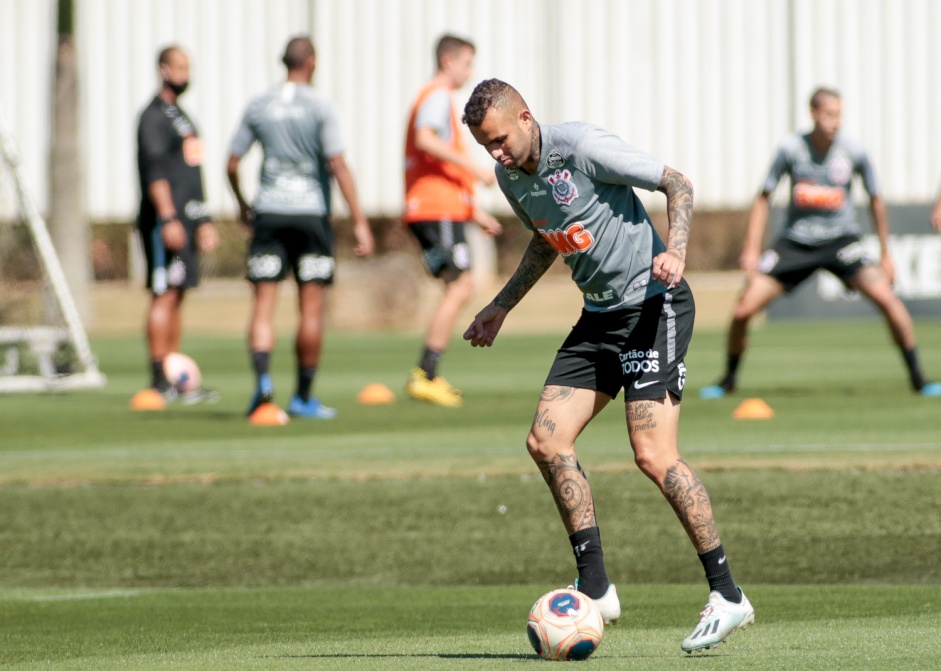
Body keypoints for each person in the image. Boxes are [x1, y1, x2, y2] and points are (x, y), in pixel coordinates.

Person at [461, 78, 754, 653]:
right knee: (546, 441)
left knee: (653, 455)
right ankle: (596, 587)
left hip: (654, 305)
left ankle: (728, 595)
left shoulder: (582, 147)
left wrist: (676, 249)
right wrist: (499, 307)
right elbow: (547, 241)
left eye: (498, 140)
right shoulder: (509, 176)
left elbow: (677, 183)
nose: (494, 154)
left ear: (525, 117)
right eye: (483, 145)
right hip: (599, 317)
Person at [701, 87, 941, 399]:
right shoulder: (791, 149)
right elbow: (763, 198)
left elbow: (876, 200)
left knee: (888, 299)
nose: (834, 121)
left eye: (838, 114)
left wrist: (886, 255)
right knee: (744, 310)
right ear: (813, 114)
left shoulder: (853, 151)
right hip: (795, 243)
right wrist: (751, 247)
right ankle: (728, 380)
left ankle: (919, 379)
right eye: (828, 114)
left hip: (842, 242)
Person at [227, 36, 374, 419]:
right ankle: (303, 396)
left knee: (263, 307)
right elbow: (338, 165)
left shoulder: (259, 104)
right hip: (310, 215)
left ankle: (262, 382)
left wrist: (244, 204)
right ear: (311, 61)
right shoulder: (320, 106)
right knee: (310, 309)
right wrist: (359, 221)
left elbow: (231, 162)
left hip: (269, 214)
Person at [403, 35, 502, 408]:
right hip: (433, 208)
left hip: (442, 208)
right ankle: (425, 374)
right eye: (467, 63)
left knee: (459, 285)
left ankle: (427, 372)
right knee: (461, 286)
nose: (469, 71)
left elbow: (437, 165)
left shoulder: (437, 98)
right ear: (448, 61)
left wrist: (472, 212)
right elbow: (425, 140)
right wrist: (476, 167)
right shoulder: (437, 96)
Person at [135, 45, 219, 403]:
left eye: (189, 67)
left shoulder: (183, 119)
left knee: (178, 294)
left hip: (186, 221)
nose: (186, 73)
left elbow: (193, 172)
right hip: (163, 223)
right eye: (180, 67)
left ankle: (175, 374)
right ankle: (159, 379)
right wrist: (168, 216)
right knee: (164, 294)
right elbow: (155, 171)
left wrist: (203, 220)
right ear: (163, 70)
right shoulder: (153, 117)